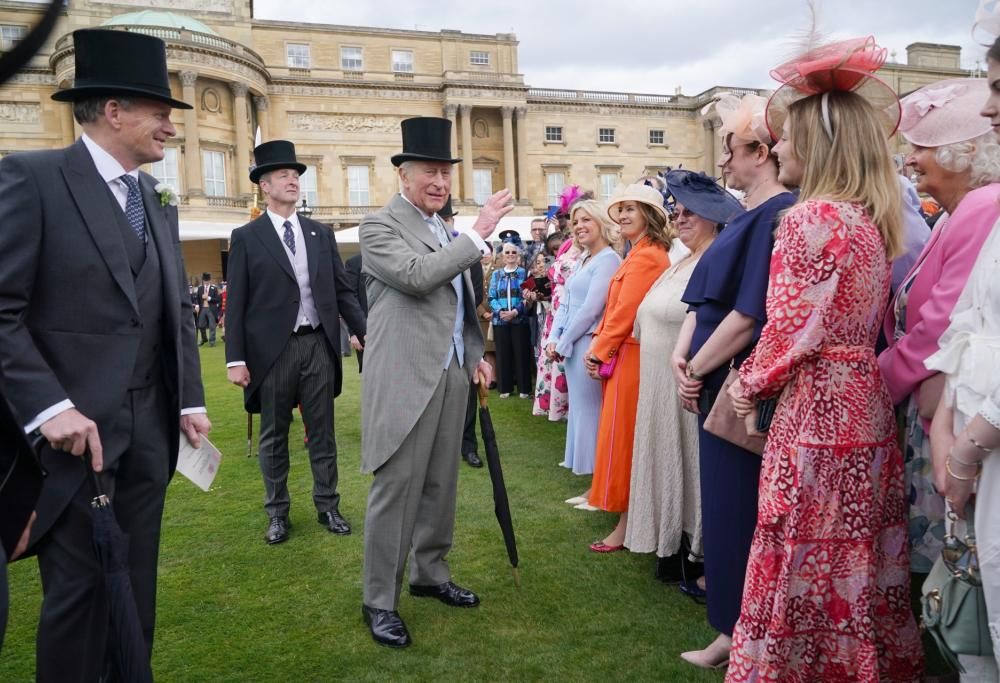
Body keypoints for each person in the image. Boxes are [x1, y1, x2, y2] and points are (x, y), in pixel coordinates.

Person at [0, 29, 211, 680]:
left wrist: (191, 398)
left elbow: (172, 307)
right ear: (113, 111)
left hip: (150, 438)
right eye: (160, 110)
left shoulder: (153, 200)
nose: (171, 126)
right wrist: (49, 407)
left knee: (133, 594)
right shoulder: (32, 179)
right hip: (68, 449)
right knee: (81, 597)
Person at [724, 36, 924, 681]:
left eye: (784, 137)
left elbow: (789, 329)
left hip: (817, 411)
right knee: (853, 555)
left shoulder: (812, 219)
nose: (777, 146)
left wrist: (746, 384)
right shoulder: (868, 221)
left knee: (800, 549)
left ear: (815, 144)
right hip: (861, 407)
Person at [359, 116, 510, 649]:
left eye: (445, 172)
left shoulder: (444, 230)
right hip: (403, 378)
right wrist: (476, 232)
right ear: (403, 175)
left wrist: (474, 356)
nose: (440, 182)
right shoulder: (378, 227)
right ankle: (379, 600)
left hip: (451, 376)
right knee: (396, 489)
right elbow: (420, 279)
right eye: (429, 171)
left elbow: (462, 303)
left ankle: (429, 573)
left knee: (440, 485)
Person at [675, 91, 795, 668]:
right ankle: (731, 627)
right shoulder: (748, 215)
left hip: (735, 386)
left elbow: (749, 315)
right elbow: (706, 304)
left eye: (731, 150)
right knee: (724, 508)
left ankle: (739, 632)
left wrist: (696, 369)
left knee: (737, 509)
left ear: (761, 152)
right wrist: (688, 361)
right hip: (713, 379)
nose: (723, 163)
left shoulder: (777, 214)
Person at [877, 77, 1000, 575]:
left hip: (951, 404)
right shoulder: (957, 212)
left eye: (921, 148)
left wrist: (880, 378)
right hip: (934, 395)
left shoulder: (983, 205)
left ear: (961, 153)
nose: (909, 160)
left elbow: (940, 322)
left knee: (963, 559)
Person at [225, 140, 366, 545]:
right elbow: (237, 305)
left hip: (318, 346)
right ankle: (277, 513)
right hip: (272, 351)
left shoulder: (320, 234)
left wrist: (364, 331)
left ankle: (328, 505)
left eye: (296, 175)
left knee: (322, 432)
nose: (293, 180)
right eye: (284, 175)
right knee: (274, 434)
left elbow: (342, 292)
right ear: (264, 186)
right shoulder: (247, 236)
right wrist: (235, 358)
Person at [625, 172, 744, 572]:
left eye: (693, 211)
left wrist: (693, 369)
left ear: (716, 217)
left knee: (690, 465)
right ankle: (670, 539)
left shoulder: (718, 258)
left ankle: (695, 549)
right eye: (679, 210)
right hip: (658, 382)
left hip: (688, 382)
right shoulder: (681, 261)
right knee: (666, 459)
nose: (681, 217)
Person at [584, 183, 671, 551]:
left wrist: (597, 350)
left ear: (648, 216)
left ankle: (625, 523)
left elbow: (625, 311)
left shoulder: (648, 255)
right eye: (620, 209)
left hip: (631, 355)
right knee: (620, 437)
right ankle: (623, 513)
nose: (621, 216)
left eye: (631, 210)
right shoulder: (638, 253)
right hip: (625, 353)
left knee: (623, 439)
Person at [545, 200, 621, 505]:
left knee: (593, 415)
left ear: (601, 222)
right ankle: (594, 486)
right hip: (573, 345)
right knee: (582, 412)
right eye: (575, 222)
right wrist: (553, 337)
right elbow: (565, 303)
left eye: (586, 219)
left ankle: (598, 489)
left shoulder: (609, 260)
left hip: (589, 343)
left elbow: (591, 309)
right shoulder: (584, 259)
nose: (579, 226)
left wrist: (563, 343)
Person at [533, 229, 581, 420]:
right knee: (554, 359)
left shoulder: (591, 250)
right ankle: (558, 407)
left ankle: (571, 408)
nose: (576, 224)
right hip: (555, 312)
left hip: (571, 311)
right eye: (574, 220)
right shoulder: (567, 247)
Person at [488, 235, 533, 398]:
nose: (510, 255)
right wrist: (501, 312)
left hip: (519, 319)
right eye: (507, 252)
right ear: (502, 255)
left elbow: (527, 296)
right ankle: (505, 388)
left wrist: (515, 311)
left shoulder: (525, 273)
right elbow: (491, 297)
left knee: (521, 354)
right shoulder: (496, 274)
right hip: (500, 321)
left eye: (513, 252)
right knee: (503, 354)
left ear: (518, 255)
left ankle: (524, 389)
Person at [195, 271, 221, 347]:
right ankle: (204, 339)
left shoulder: (214, 288)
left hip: (211, 309)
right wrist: (197, 305)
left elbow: (217, 299)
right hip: (202, 309)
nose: (206, 282)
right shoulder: (200, 288)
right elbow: (197, 298)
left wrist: (209, 298)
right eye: (204, 281)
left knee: (212, 326)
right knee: (201, 325)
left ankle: (212, 341)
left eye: (207, 281)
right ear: (203, 281)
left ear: (210, 280)